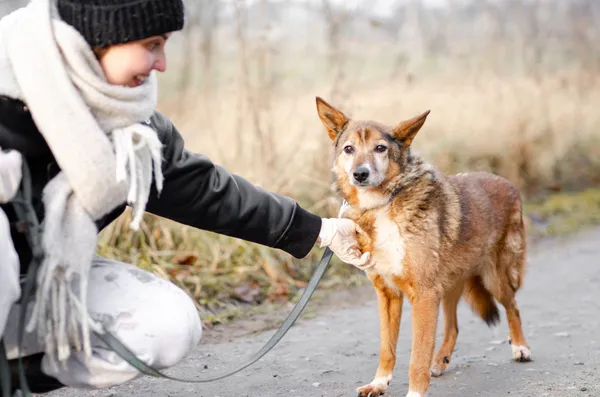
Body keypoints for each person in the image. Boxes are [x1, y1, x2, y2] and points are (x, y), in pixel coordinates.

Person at [0, 0, 372, 393]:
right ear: (100, 37)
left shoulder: (129, 123)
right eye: (152, 44)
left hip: (41, 279)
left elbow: (200, 189)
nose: (161, 64)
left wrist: (319, 229)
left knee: (166, 325)